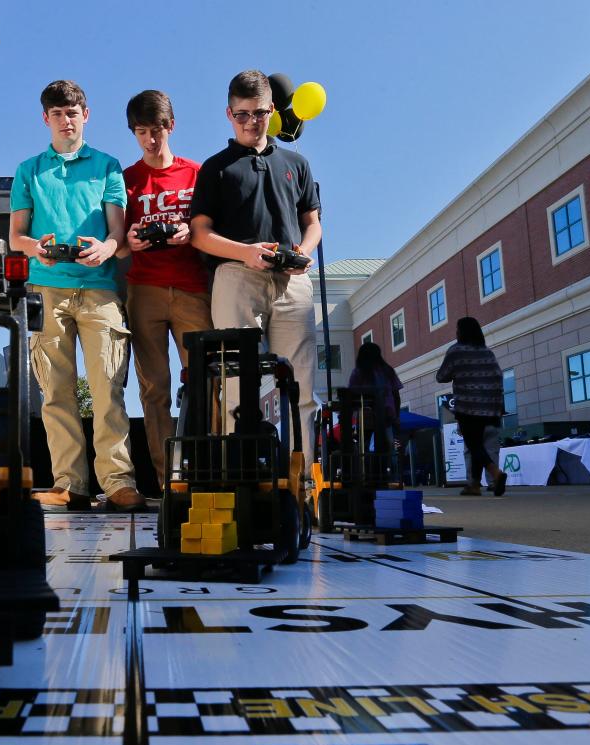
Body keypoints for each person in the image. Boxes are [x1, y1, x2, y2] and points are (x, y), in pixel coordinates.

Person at [9, 80, 146, 513]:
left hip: (100, 290)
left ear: (85, 115)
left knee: (108, 387)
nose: (66, 120)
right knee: (56, 392)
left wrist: (106, 248)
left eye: (73, 112)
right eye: (57, 113)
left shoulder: (108, 166)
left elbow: (117, 235)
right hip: (46, 288)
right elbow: (16, 236)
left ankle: (119, 482)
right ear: (45, 118)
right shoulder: (29, 170)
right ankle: (70, 483)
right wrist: (38, 248)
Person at [189, 69, 321, 471]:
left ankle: (303, 484)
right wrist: (245, 253)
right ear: (229, 114)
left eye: (259, 113)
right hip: (236, 278)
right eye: (242, 114)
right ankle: (239, 477)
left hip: (291, 282)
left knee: (301, 388)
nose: (251, 122)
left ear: (271, 111)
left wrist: (304, 251)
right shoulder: (215, 168)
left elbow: (312, 222)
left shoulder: (296, 163)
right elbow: (199, 234)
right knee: (236, 387)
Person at [115, 90, 213, 489]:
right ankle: (168, 478)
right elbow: (118, 241)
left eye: (156, 130)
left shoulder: (196, 173)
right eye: (141, 132)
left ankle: (208, 471)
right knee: (154, 386)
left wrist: (191, 230)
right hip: (145, 289)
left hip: (192, 287)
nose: (150, 140)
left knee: (207, 382)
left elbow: (212, 229)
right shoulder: (127, 179)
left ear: (171, 126)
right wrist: (133, 241)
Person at [436, 317, 507, 496]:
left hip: (467, 407)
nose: (456, 332)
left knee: (473, 444)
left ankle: (496, 473)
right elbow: (498, 377)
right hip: (489, 406)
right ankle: (474, 485)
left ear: (461, 332)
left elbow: (442, 376)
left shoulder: (456, 351)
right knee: (479, 444)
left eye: (458, 329)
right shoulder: (487, 352)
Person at [348, 341, 402, 454]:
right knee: (388, 449)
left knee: (365, 450)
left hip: (365, 418)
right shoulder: (388, 371)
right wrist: (396, 416)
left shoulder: (358, 373)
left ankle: (369, 468)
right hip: (387, 416)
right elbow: (396, 396)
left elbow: (350, 396)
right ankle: (387, 468)